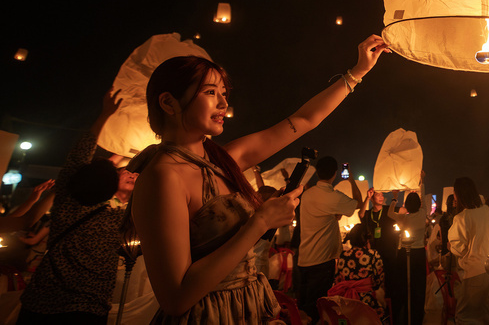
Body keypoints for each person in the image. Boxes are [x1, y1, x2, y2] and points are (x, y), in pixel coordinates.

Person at [128, 35, 388, 323]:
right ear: (168, 102)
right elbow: (175, 298)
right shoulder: (162, 177)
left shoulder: (224, 159)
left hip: (253, 307)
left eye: (224, 93)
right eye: (211, 92)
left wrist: (357, 73)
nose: (224, 102)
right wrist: (261, 222)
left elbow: (303, 121)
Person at [18, 89, 128, 324]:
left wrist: (104, 114)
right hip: (87, 309)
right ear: (111, 191)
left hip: (39, 302)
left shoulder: (66, 204)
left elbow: (79, 154)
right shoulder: (118, 220)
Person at [298, 155, 362, 322]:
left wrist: (333, 216)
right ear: (334, 173)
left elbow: (319, 216)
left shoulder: (307, 195)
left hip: (303, 259)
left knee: (301, 309)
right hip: (321, 261)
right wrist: (352, 179)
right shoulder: (333, 196)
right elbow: (359, 203)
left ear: (317, 172)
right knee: (317, 310)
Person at [448, 177, 489, 324]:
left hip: (474, 274)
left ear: (458, 195)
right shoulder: (485, 211)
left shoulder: (462, 217)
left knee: (466, 317)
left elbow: (458, 248)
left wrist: (450, 246)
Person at [328, 223, 387, 320]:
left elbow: (338, 279)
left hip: (346, 301)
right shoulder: (373, 254)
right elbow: (378, 280)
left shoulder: (343, 255)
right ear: (367, 239)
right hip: (366, 301)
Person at [388, 190, 429, 324]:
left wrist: (394, 199)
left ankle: (402, 316)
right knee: (418, 286)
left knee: (403, 284)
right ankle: (417, 316)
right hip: (419, 253)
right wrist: (421, 181)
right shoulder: (423, 214)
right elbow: (422, 198)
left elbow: (389, 213)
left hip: (404, 253)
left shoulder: (404, 218)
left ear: (406, 205)